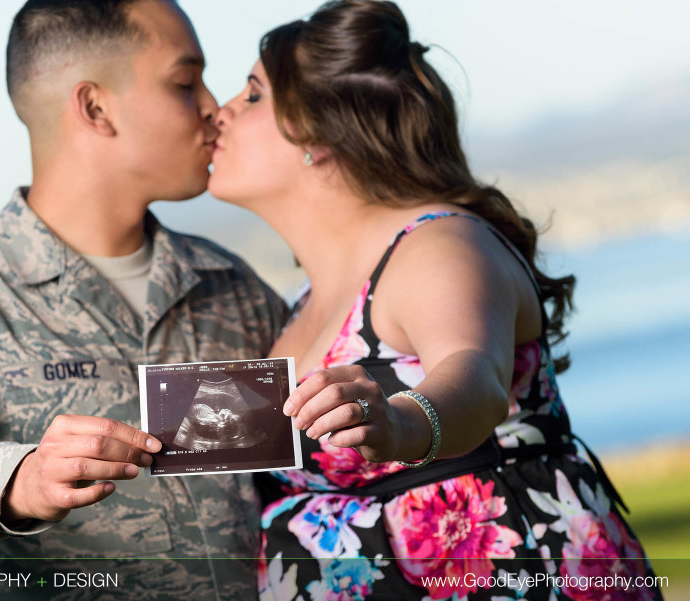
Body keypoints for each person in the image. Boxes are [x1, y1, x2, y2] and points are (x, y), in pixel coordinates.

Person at [0, 1, 286, 599]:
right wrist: (20, 480)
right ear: (95, 107)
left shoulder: (229, 283)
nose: (212, 106)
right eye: (184, 81)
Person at [208, 1, 663, 599]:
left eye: (252, 95)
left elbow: (474, 376)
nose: (221, 113)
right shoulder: (298, 306)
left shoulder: (437, 245)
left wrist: (400, 421)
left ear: (317, 133)